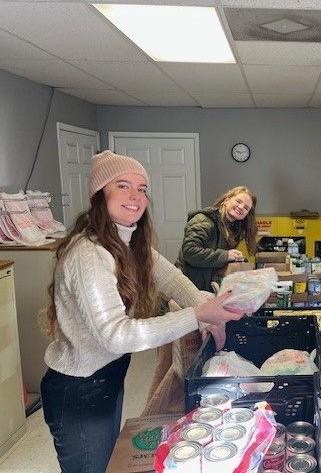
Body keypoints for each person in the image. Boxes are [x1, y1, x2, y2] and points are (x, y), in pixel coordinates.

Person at [40, 150, 245, 473]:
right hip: (78, 390)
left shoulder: (128, 242)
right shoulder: (90, 254)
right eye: (122, 186)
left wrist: (202, 306)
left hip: (106, 377)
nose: (135, 196)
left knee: (107, 463)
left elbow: (172, 279)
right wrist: (197, 316)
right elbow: (117, 335)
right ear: (99, 193)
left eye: (142, 188)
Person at [175, 186, 258, 292]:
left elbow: (215, 259)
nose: (241, 207)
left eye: (246, 208)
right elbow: (190, 253)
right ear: (227, 200)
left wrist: (233, 258)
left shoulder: (230, 228)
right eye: (238, 201)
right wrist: (226, 255)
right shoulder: (203, 221)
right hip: (188, 286)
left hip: (205, 287)